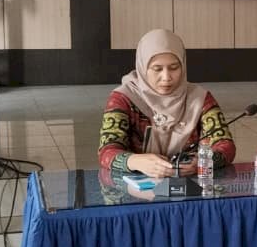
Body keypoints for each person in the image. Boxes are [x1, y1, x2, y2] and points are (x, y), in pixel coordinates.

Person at [97, 29, 235, 177]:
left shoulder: (199, 98)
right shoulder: (124, 98)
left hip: (190, 187)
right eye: (157, 69)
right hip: (136, 188)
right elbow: (107, 151)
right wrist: (135, 161)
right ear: (143, 68)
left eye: (174, 68)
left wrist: (203, 161)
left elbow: (225, 145)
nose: (166, 77)